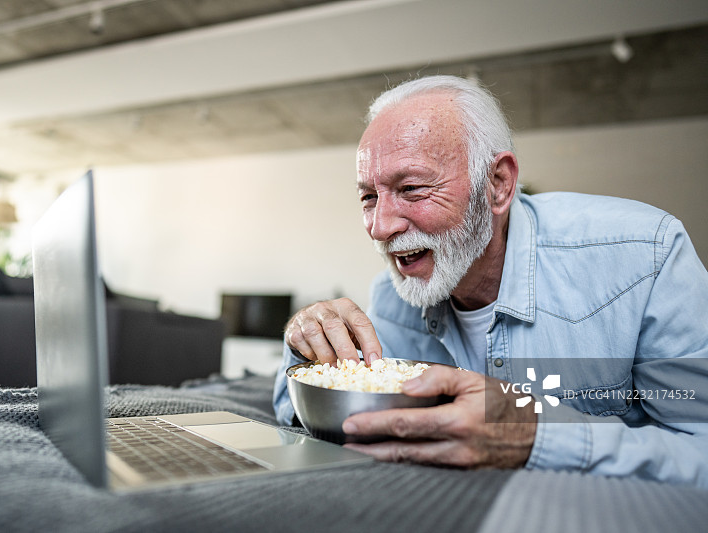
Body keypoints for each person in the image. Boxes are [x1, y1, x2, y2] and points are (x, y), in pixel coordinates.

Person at [272, 75, 708, 487]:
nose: (380, 227)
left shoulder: (644, 256)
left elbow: (700, 451)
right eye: (369, 197)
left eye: (412, 188)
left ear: (498, 184)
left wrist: (533, 435)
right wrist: (305, 345)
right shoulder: (391, 299)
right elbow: (323, 416)